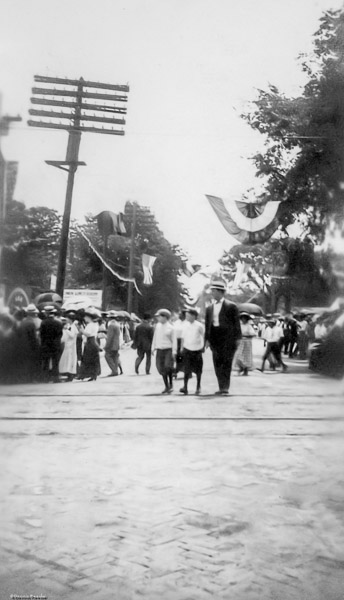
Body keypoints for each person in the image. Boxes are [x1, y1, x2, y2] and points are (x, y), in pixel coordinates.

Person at [205, 280, 242, 395]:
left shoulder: (231, 306)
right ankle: (221, 386)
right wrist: (207, 339)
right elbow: (207, 324)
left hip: (227, 338)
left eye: (213, 291)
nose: (212, 293)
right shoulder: (209, 308)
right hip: (215, 337)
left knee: (226, 362)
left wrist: (238, 338)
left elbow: (236, 323)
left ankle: (225, 387)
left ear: (220, 292)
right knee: (217, 362)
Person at [179, 307, 204, 395]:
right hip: (187, 349)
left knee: (198, 370)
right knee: (186, 369)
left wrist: (203, 347)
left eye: (188, 315)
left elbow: (203, 336)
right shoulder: (185, 325)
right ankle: (185, 387)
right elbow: (182, 337)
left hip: (197, 350)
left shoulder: (199, 325)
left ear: (194, 316)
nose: (187, 317)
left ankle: (198, 386)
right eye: (186, 315)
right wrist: (182, 348)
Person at [152, 308, 176, 394]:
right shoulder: (157, 326)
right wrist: (153, 347)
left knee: (167, 366)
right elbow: (155, 337)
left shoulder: (171, 328)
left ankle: (170, 384)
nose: (158, 318)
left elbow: (174, 341)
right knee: (160, 367)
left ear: (165, 317)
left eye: (160, 317)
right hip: (159, 349)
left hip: (168, 349)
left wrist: (174, 351)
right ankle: (166, 386)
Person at [17, 304, 41, 382]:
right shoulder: (31, 323)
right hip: (30, 347)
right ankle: (30, 378)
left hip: (21, 345)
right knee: (31, 363)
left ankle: (23, 378)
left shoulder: (22, 322)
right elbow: (33, 337)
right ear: (34, 313)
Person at [40, 306, 63, 383]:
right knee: (55, 362)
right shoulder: (58, 322)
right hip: (56, 345)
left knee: (46, 362)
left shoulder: (43, 322)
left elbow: (41, 335)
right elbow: (60, 334)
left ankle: (45, 378)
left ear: (46, 313)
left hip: (46, 345)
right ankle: (56, 378)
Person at [78, 308, 101, 381]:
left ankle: (86, 374)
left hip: (90, 342)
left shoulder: (91, 325)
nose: (84, 318)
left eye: (85, 317)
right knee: (93, 359)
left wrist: (82, 331)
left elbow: (89, 334)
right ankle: (92, 374)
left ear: (89, 317)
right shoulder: (95, 324)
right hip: (93, 341)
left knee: (88, 358)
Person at [59, 311, 78, 381]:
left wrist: (66, 330)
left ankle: (70, 375)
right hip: (68, 345)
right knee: (68, 360)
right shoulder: (69, 326)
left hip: (71, 346)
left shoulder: (73, 327)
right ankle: (69, 374)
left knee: (70, 359)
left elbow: (72, 335)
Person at [104, 310, 122, 377]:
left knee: (107, 356)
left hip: (111, 345)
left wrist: (107, 345)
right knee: (115, 357)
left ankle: (114, 370)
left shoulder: (111, 325)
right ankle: (116, 370)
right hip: (116, 344)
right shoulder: (117, 324)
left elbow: (110, 337)